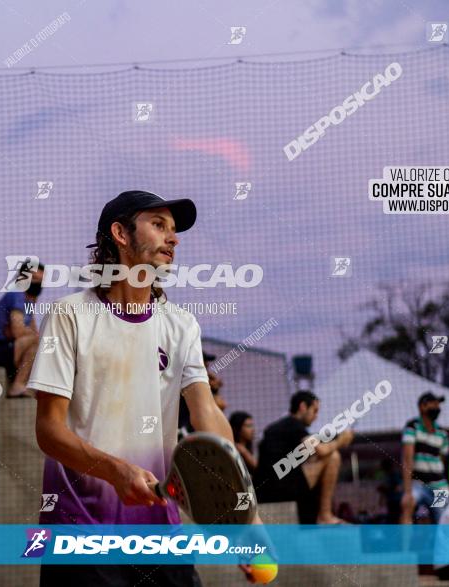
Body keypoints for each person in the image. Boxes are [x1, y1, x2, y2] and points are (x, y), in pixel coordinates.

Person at [28, 190, 260, 586]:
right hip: (82, 533)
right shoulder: (70, 316)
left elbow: (206, 414)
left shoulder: (181, 324)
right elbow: (49, 431)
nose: (173, 238)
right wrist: (116, 472)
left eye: (174, 229)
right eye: (158, 225)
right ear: (120, 233)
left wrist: (244, 513)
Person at [254, 390, 353, 525]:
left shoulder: (279, 427)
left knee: (319, 459)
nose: (316, 416)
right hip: (281, 488)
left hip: (265, 489)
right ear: (302, 407)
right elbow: (321, 451)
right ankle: (325, 515)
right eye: (315, 410)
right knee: (333, 457)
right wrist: (341, 441)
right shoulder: (293, 424)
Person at [0, 260, 44, 398]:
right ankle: (17, 385)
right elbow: (18, 331)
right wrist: (32, 335)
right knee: (38, 340)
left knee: (40, 345)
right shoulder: (16, 294)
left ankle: (26, 385)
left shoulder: (30, 300)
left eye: (41, 281)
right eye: (34, 279)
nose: (38, 284)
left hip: (8, 349)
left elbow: (32, 330)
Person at [400, 392, 449, 524]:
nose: (437, 407)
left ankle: (440, 545)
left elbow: (442, 459)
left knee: (442, 517)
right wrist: (407, 491)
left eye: (438, 404)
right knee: (407, 505)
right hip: (418, 484)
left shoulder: (442, 433)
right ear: (423, 406)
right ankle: (404, 545)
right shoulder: (413, 427)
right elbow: (407, 459)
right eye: (434, 403)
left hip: (440, 486)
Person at [177, 351, 226, 437]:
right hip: (183, 433)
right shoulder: (187, 384)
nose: (208, 372)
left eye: (207, 367)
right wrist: (212, 388)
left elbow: (221, 405)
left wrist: (214, 389)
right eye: (204, 367)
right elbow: (219, 405)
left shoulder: (201, 382)